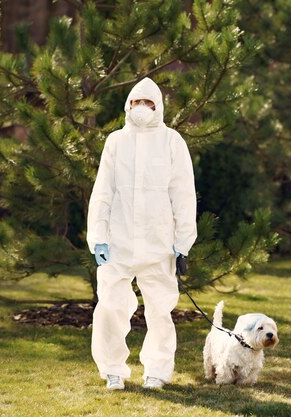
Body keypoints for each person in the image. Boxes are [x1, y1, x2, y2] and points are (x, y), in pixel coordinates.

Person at [86, 77, 197, 390]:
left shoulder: (172, 141)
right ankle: (113, 370)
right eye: (137, 102)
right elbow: (103, 191)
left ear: (158, 107)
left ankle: (157, 372)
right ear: (128, 105)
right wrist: (98, 237)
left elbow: (183, 193)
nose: (142, 108)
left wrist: (183, 243)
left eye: (149, 103)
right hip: (118, 243)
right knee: (109, 306)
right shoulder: (116, 142)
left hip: (159, 242)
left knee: (160, 310)